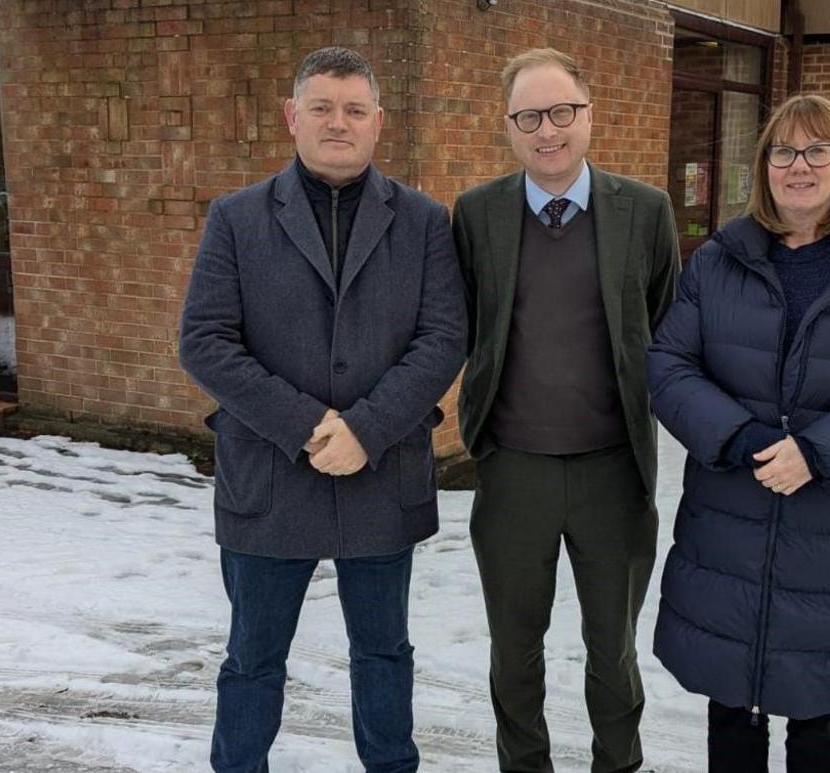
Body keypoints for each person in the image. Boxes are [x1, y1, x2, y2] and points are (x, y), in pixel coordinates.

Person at [178, 46, 467, 773]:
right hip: (270, 477)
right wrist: (309, 428)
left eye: (354, 109)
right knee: (252, 658)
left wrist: (366, 430)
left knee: (383, 653)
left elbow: (444, 339)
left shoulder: (426, 221)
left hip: (381, 476)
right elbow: (204, 341)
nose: (338, 122)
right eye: (322, 107)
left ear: (378, 123)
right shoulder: (237, 218)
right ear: (292, 117)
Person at [647, 94, 830, 772]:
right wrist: (740, 436)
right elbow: (668, 363)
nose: (799, 166)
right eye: (784, 151)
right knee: (731, 710)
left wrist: (819, 451)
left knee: (820, 718)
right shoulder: (720, 260)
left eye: (817, 150)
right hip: (730, 520)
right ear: (764, 166)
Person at [452, 48, 680, 773]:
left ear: (589, 115)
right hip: (513, 468)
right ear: (508, 127)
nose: (547, 130)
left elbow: (666, 327)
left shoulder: (645, 211)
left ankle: (619, 763)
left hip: (613, 470)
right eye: (529, 117)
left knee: (612, 650)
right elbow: (461, 324)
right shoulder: (477, 213)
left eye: (561, 113)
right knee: (513, 651)